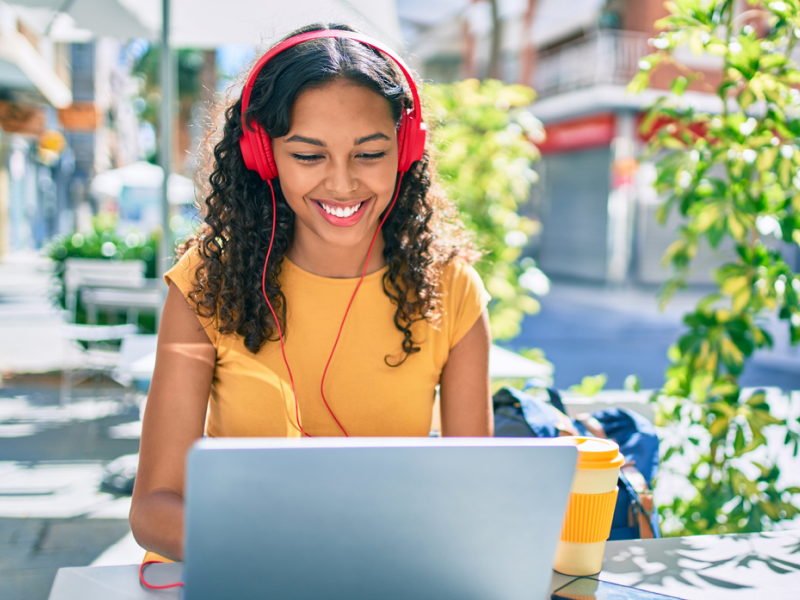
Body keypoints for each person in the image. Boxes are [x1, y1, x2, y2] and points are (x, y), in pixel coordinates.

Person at [130, 23, 493, 563]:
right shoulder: (206, 283)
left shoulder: (450, 288)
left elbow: (475, 494)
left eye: (369, 154)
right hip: (235, 569)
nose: (342, 184)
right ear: (263, 154)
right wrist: (287, 552)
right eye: (308, 155)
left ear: (406, 150)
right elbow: (155, 507)